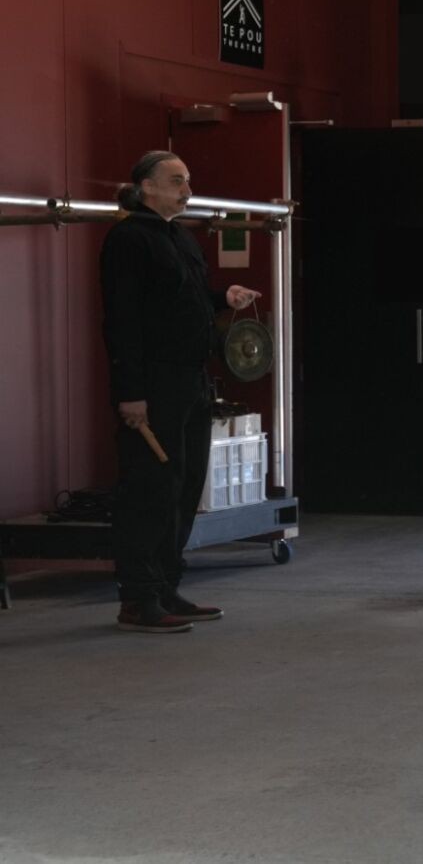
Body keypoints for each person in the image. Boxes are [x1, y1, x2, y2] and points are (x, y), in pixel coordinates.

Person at [101, 151, 260, 633]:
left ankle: (167, 585)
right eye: (176, 181)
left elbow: (183, 299)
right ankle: (138, 598)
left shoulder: (181, 237)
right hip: (152, 384)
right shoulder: (128, 239)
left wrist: (221, 298)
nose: (187, 189)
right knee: (151, 487)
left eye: (187, 180)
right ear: (147, 188)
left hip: (191, 380)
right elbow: (122, 321)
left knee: (185, 484)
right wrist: (131, 393)